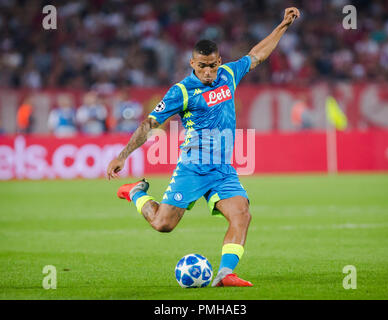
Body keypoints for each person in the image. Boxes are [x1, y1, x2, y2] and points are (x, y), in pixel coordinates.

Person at [107, 7, 300, 287]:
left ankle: (225, 274)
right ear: (192, 64)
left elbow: (257, 54)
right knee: (164, 224)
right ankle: (136, 193)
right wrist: (122, 155)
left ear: (219, 61)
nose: (208, 71)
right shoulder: (181, 91)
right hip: (193, 168)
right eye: (202, 66)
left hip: (223, 170)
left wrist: (283, 25)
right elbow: (150, 123)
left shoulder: (229, 75)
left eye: (212, 65)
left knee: (241, 214)